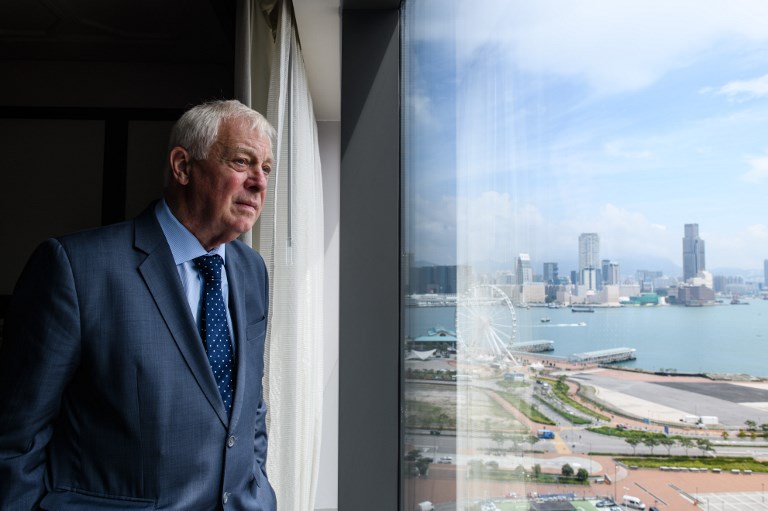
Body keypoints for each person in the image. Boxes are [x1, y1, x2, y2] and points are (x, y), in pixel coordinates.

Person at [0, 100, 278, 510]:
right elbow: (16, 438)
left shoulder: (252, 270)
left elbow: (247, 407)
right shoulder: (76, 268)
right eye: (242, 162)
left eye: (267, 169)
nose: (259, 182)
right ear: (183, 167)